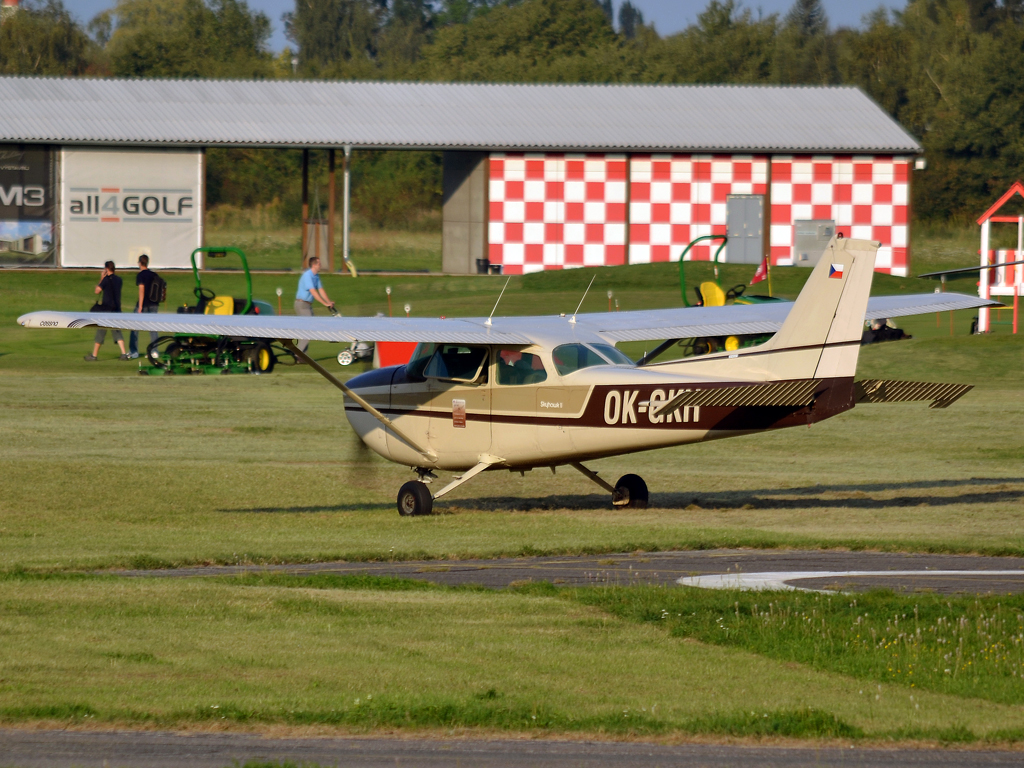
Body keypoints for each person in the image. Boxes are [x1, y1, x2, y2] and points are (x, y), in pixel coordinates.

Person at [84, 261, 128, 361]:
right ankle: (124, 353)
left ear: (106, 269)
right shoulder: (119, 280)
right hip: (116, 309)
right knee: (117, 331)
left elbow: (97, 291)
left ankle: (94, 355)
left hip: (106, 309)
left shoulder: (106, 280)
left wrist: (102, 278)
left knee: (101, 331)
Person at [294, 256, 335, 354]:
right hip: (302, 304)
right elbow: (313, 292)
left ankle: (303, 356)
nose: (320, 265)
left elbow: (320, 290)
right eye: (319, 264)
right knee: (309, 330)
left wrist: (328, 302)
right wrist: (324, 304)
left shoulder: (316, 276)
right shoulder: (307, 275)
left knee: (307, 330)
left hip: (307, 305)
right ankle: (298, 354)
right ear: (314, 265)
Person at [128, 254, 159, 359]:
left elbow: (142, 290)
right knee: (153, 328)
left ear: (140, 263)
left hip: (144, 304)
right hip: (154, 304)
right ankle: (154, 351)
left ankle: (134, 351)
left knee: (134, 327)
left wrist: (140, 306)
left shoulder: (141, 275)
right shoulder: (154, 274)